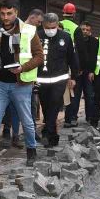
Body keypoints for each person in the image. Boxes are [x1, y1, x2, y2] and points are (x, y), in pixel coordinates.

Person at [0, 0, 44, 168]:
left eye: (9, 13)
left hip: (21, 84)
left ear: (16, 13)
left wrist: (23, 68)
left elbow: (39, 56)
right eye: (3, 14)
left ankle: (31, 150)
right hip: (0, 84)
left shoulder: (28, 30)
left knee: (27, 120)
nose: (6, 17)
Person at [36, 13, 78, 147]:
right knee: (46, 108)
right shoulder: (37, 36)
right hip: (41, 80)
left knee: (54, 106)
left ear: (58, 25)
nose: (50, 30)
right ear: (43, 25)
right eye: (47, 27)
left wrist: (74, 77)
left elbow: (72, 57)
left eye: (53, 27)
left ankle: (47, 132)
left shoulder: (65, 37)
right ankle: (53, 136)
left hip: (59, 80)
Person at [64, 21, 96, 126]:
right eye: (83, 29)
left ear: (90, 31)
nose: (85, 31)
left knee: (89, 95)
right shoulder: (74, 42)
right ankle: (73, 117)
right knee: (75, 96)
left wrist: (92, 71)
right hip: (77, 73)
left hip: (88, 73)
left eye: (87, 30)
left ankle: (90, 117)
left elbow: (95, 58)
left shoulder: (94, 42)